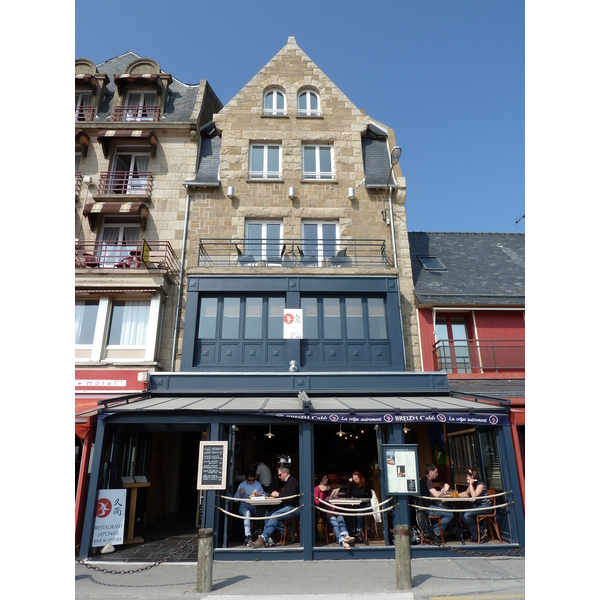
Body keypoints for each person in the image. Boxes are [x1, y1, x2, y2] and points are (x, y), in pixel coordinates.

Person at [252, 466, 299, 547]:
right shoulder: (288, 481)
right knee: (269, 515)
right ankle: (287, 531)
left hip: (293, 507)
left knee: (274, 516)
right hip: (288, 506)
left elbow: (290, 497)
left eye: (280, 475)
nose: (279, 477)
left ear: (285, 473)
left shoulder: (292, 481)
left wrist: (278, 494)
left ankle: (263, 538)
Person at [314, 471, 355, 550]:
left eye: (326, 478)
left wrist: (335, 497)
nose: (327, 479)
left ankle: (346, 535)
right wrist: (325, 499)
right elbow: (316, 502)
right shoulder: (316, 489)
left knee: (340, 518)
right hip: (325, 510)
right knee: (334, 522)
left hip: (333, 508)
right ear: (321, 479)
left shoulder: (330, 487)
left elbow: (334, 497)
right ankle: (342, 541)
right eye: (325, 478)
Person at [418, 464, 454, 541]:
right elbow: (436, 495)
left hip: (423, 508)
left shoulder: (423, 480)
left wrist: (441, 491)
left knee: (445, 508)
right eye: (436, 472)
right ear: (431, 472)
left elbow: (432, 494)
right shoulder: (428, 482)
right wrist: (445, 489)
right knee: (450, 514)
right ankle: (435, 532)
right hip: (426, 508)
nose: (437, 474)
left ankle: (433, 530)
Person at [458, 468, 493, 542]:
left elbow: (474, 496)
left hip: (485, 507)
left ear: (472, 477)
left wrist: (470, 484)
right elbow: (466, 493)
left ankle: (476, 536)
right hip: (477, 506)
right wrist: (455, 495)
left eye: (467, 476)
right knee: (461, 512)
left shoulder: (480, 485)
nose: (466, 478)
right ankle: (480, 530)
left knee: (467, 515)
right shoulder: (473, 485)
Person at [234, 470, 266, 546]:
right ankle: (248, 536)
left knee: (264, 512)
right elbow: (235, 499)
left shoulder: (257, 484)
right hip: (244, 506)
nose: (251, 482)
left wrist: (260, 494)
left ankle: (263, 535)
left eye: (253, 480)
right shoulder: (242, 485)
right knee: (247, 513)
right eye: (249, 480)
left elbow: (264, 494)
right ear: (246, 479)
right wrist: (239, 492)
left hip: (255, 506)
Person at [345, 470, 372, 543]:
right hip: (356, 504)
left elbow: (370, 496)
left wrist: (363, 499)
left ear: (360, 478)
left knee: (359, 514)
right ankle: (352, 531)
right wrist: (349, 483)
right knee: (350, 512)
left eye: (356, 479)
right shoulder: (353, 485)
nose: (355, 481)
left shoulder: (365, 485)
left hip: (365, 505)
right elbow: (347, 496)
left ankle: (359, 530)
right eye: (354, 479)